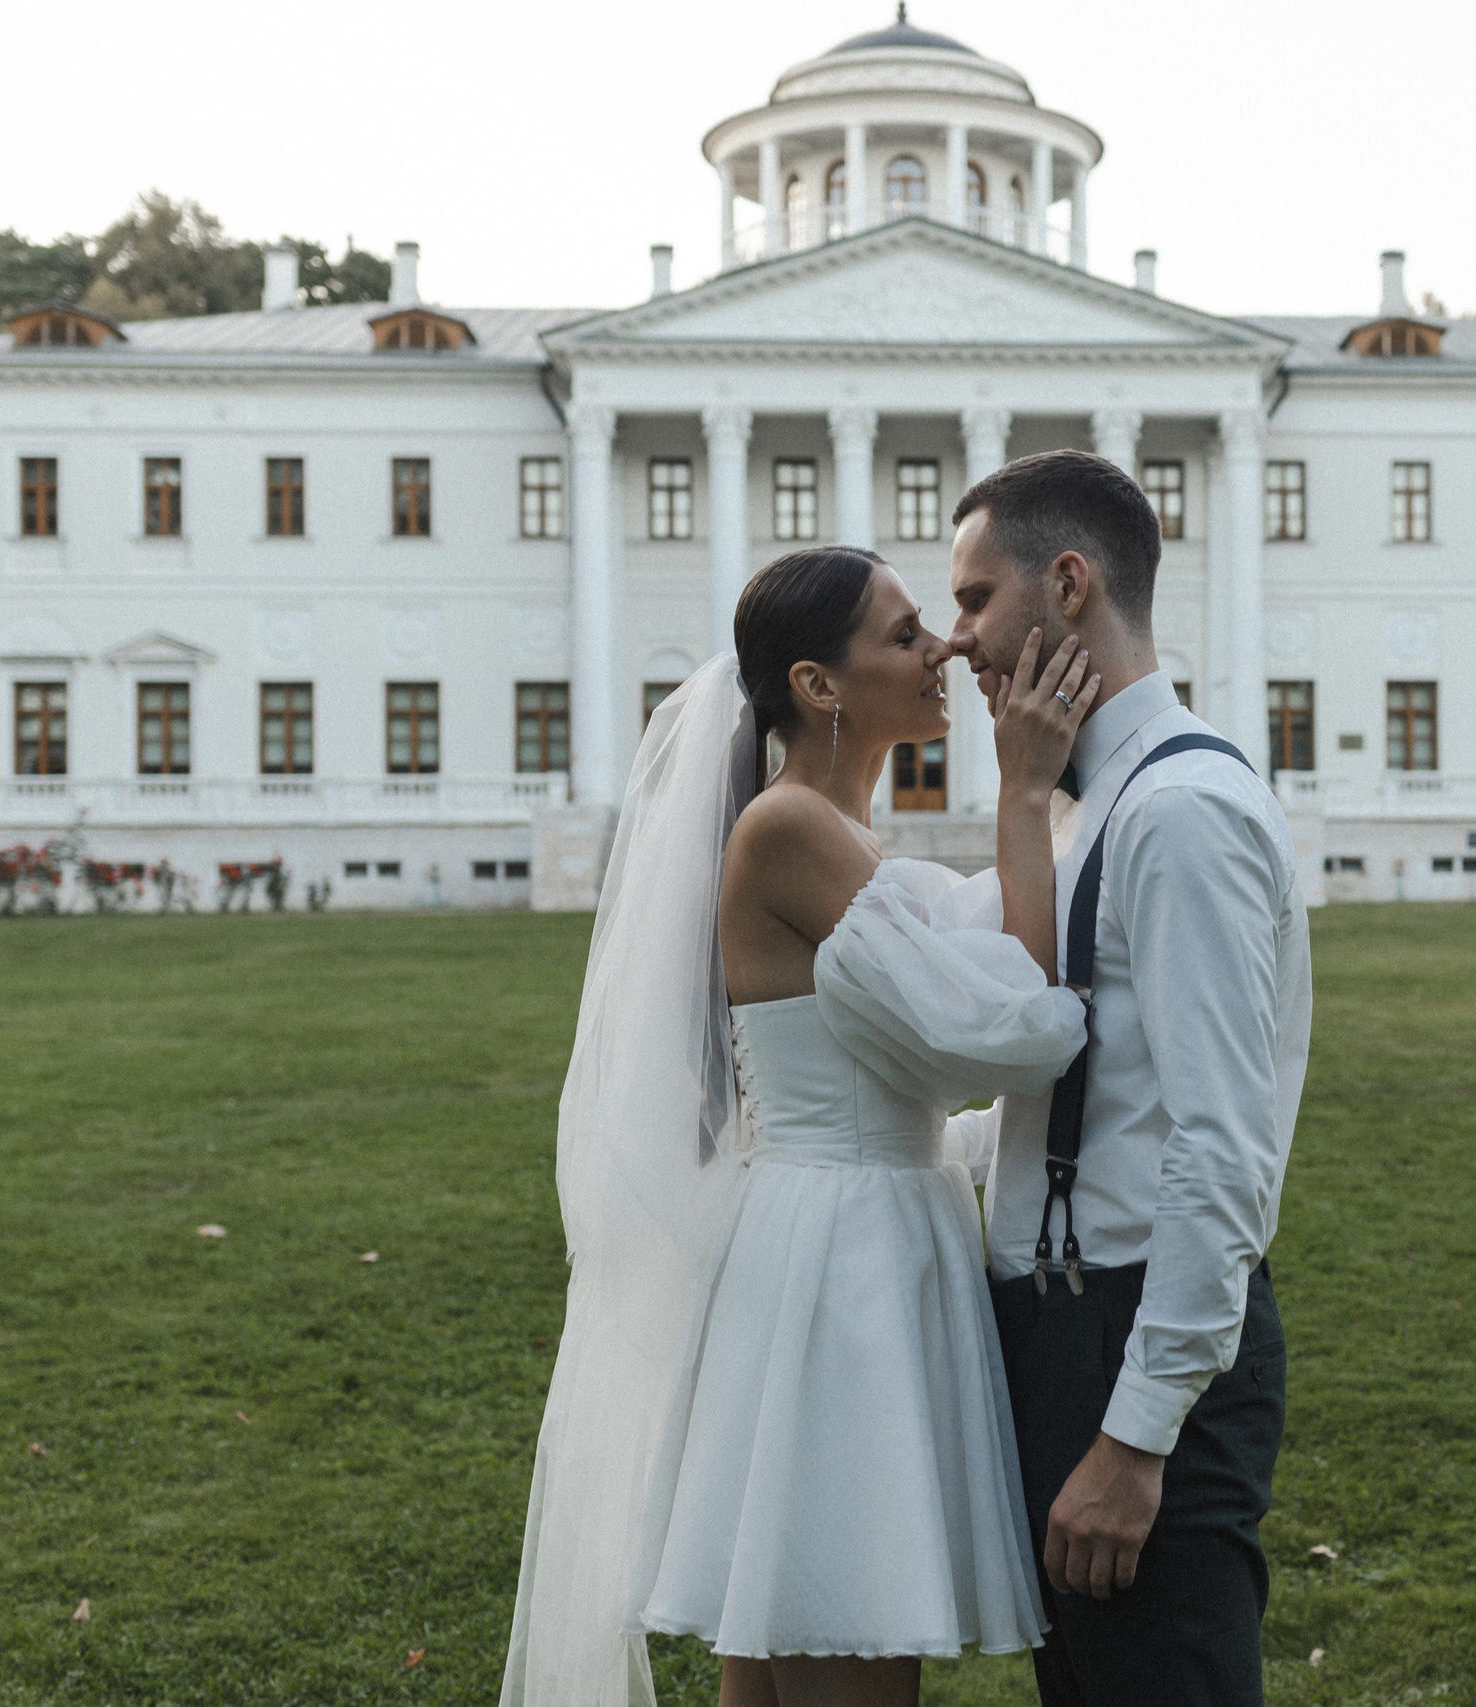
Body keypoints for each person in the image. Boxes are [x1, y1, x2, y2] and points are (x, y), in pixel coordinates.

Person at [501, 543, 1103, 1707]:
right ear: (816, 685)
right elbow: (1021, 1024)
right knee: (844, 1638)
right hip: (842, 1270)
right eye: (904, 634)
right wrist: (1025, 790)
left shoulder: (854, 845)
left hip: (838, 1243)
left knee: (777, 1668)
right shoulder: (789, 832)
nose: (947, 650)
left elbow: (976, 960)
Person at [946, 450, 1313, 1707]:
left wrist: (1134, 1435)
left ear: (1066, 585)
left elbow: (1223, 1146)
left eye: (977, 601)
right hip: (1070, 1330)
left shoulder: (1180, 813)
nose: (959, 642)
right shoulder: (1091, 805)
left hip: (1132, 1341)